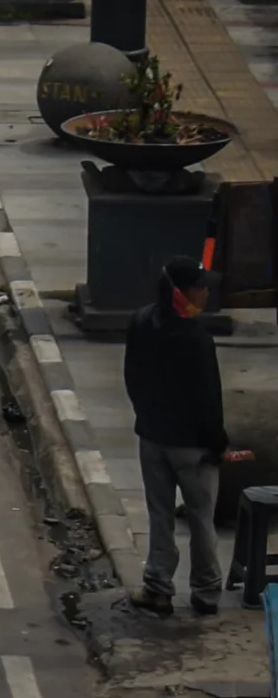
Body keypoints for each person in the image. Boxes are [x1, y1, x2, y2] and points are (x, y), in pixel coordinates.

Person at [126, 259, 250, 616]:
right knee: (201, 518)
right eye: (200, 286)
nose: (206, 291)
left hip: (152, 439)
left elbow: (132, 377)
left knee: (160, 515)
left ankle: (158, 587)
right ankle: (207, 593)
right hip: (192, 449)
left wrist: (147, 419)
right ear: (180, 293)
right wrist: (218, 444)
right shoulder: (196, 339)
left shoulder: (141, 322)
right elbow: (208, 400)